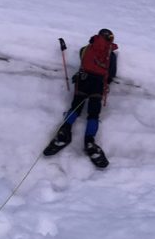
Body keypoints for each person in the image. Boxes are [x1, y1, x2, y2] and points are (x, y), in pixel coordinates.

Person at [44, 28, 118, 167]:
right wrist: (105, 83)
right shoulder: (111, 55)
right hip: (97, 85)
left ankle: (65, 131)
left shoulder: (86, 48)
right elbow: (111, 74)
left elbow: (82, 62)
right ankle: (89, 141)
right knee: (93, 114)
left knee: (76, 107)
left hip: (82, 81)